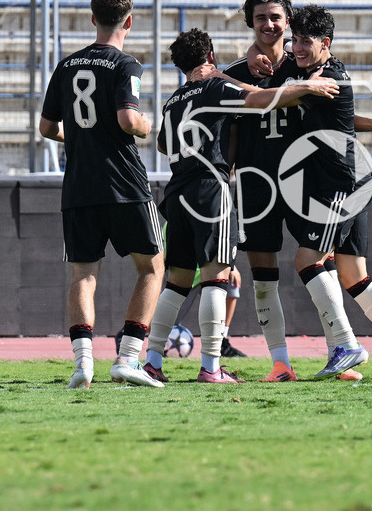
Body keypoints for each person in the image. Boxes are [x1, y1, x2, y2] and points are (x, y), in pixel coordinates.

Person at [144, 27, 339, 384]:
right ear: (212, 58)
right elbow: (258, 100)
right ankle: (211, 367)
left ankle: (153, 360)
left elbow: (162, 144)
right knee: (216, 278)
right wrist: (307, 87)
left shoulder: (172, 100)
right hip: (210, 189)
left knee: (177, 280)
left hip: (176, 191)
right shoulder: (216, 86)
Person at [222, 0, 372, 382]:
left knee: (320, 265)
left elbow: (330, 111)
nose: (269, 24)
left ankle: (340, 350)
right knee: (264, 274)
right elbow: (231, 123)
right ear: (250, 22)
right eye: (260, 17)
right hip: (256, 182)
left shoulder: (305, 65)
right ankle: (281, 364)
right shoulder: (237, 73)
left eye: (276, 17)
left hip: (304, 182)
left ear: (289, 22)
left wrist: (366, 123)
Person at [264, 4, 372, 380]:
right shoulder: (306, 71)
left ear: (326, 43)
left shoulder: (328, 76)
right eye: (296, 41)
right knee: (354, 275)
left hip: (340, 184)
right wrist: (370, 122)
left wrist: (251, 77)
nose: (298, 48)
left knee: (307, 261)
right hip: (352, 180)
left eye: (307, 42)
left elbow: (279, 97)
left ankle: (345, 345)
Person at [38, 0, 167, 389]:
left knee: (83, 274)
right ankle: (128, 358)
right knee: (151, 267)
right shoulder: (127, 64)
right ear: (129, 21)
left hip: (78, 185)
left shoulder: (66, 65)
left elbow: (46, 128)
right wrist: (145, 125)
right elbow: (129, 120)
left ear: (93, 19)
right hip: (125, 183)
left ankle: (83, 365)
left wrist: (79, 138)